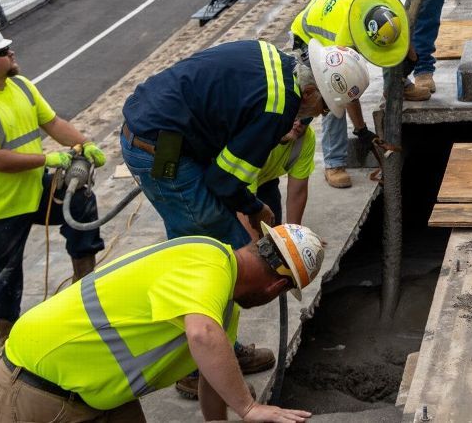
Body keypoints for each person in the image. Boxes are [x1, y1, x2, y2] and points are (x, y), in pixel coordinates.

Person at [119, 38, 369, 392]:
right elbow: (223, 182)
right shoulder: (277, 108)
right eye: (324, 107)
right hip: (162, 147)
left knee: (197, 251)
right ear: (311, 91)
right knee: (225, 258)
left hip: (162, 132)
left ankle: (209, 354)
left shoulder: (273, 59)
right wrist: (255, 210)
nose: (321, 115)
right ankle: (199, 365)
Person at [0, 224, 324, 423]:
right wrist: (249, 408)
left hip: (93, 392)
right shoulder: (209, 267)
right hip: (37, 388)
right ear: (277, 287)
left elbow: (212, 377)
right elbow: (202, 336)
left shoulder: (218, 297)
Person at [0, 24, 105, 345]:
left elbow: (53, 123)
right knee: (4, 275)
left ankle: (83, 284)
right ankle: (8, 337)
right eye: (3, 52)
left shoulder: (20, 85)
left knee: (80, 202)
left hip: (32, 191)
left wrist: (83, 145)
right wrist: (47, 160)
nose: (11, 53)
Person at [289, 0, 409, 188]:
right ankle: (334, 163)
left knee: (392, 52)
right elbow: (345, 91)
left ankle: (399, 85)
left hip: (331, 14)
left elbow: (400, 41)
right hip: (308, 37)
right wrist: (361, 129)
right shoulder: (346, 39)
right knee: (328, 98)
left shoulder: (390, 9)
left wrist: (411, 58)